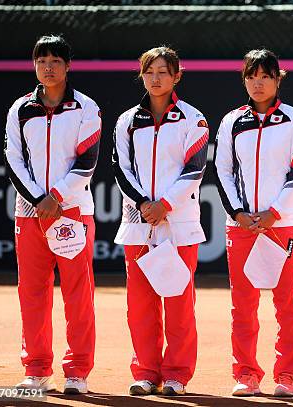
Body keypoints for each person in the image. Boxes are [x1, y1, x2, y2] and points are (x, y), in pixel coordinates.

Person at [5, 35, 101, 395]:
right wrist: (37, 199)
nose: (48, 66)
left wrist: (56, 197)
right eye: (41, 60)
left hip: (72, 211)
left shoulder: (86, 108)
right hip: (29, 214)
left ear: (67, 65)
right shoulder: (20, 109)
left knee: (78, 294)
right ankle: (36, 370)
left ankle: (77, 372)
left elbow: (87, 161)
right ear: (34, 65)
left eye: (55, 60)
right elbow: (13, 159)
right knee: (32, 292)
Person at [214, 49, 293, 397]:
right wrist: (239, 213)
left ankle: (288, 375)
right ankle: (246, 374)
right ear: (244, 79)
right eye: (252, 76)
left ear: (277, 79)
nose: (258, 82)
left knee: (287, 303)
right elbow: (223, 170)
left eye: (265, 76)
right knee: (243, 304)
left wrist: (275, 212)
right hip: (240, 225)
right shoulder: (231, 122)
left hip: (281, 224)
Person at [112, 47, 209, 396]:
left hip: (179, 225)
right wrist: (143, 204)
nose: (156, 78)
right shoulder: (126, 121)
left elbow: (194, 169)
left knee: (179, 305)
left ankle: (177, 375)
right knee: (140, 305)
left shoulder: (194, 120)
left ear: (177, 76)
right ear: (142, 75)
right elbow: (121, 168)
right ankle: (145, 372)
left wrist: (165, 205)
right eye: (150, 71)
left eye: (163, 72)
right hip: (138, 224)